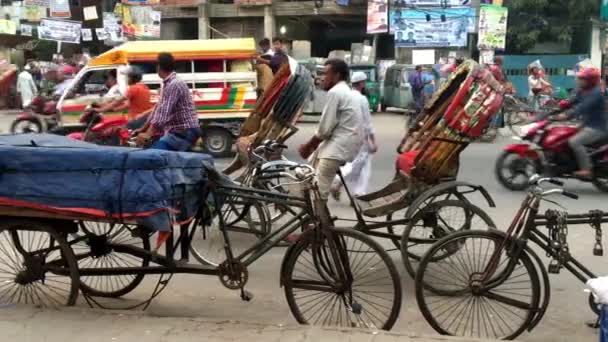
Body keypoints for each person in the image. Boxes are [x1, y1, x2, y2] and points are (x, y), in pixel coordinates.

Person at [298, 59, 363, 201]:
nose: (322, 78)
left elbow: (324, 130)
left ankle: (319, 222)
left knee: (318, 192)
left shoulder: (335, 92)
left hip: (337, 149)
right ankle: (315, 219)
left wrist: (308, 146)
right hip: (342, 146)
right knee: (308, 177)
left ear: (337, 76)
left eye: (326, 74)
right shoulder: (346, 91)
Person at [134, 53, 200, 151]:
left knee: (155, 154)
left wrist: (148, 134)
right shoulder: (167, 83)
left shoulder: (174, 84)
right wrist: (143, 129)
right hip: (177, 131)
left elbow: (162, 114)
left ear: (159, 67)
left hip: (184, 131)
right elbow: (157, 109)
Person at [329, 71, 377, 199]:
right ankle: (342, 182)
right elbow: (367, 123)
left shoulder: (347, 96)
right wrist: (373, 140)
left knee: (360, 163)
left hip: (347, 134)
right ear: (361, 83)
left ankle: (357, 190)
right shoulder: (362, 99)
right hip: (361, 137)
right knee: (360, 164)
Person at [557, 67, 607, 178]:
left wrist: (566, 115)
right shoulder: (583, 91)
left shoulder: (596, 93)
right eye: (579, 78)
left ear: (590, 81)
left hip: (597, 128)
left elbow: (582, 107)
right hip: (586, 125)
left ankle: (586, 169)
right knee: (563, 136)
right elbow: (572, 101)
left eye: (583, 79)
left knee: (574, 142)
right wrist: (559, 107)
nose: (579, 81)